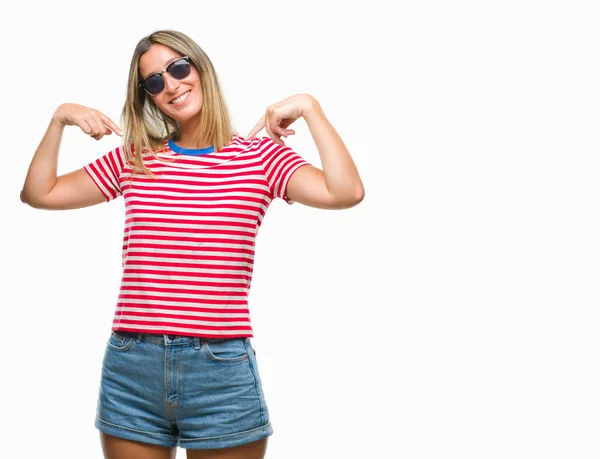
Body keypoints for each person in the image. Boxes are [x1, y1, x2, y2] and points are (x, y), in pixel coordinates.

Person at [20, 29, 364, 459]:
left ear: (200, 67)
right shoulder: (137, 158)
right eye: (154, 81)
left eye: (179, 67)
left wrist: (311, 108)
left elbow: (346, 192)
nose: (172, 84)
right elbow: (40, 193)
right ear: (148, 96)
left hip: (220, 368)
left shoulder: (260, 158)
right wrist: (59, 119)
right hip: (133, 364)